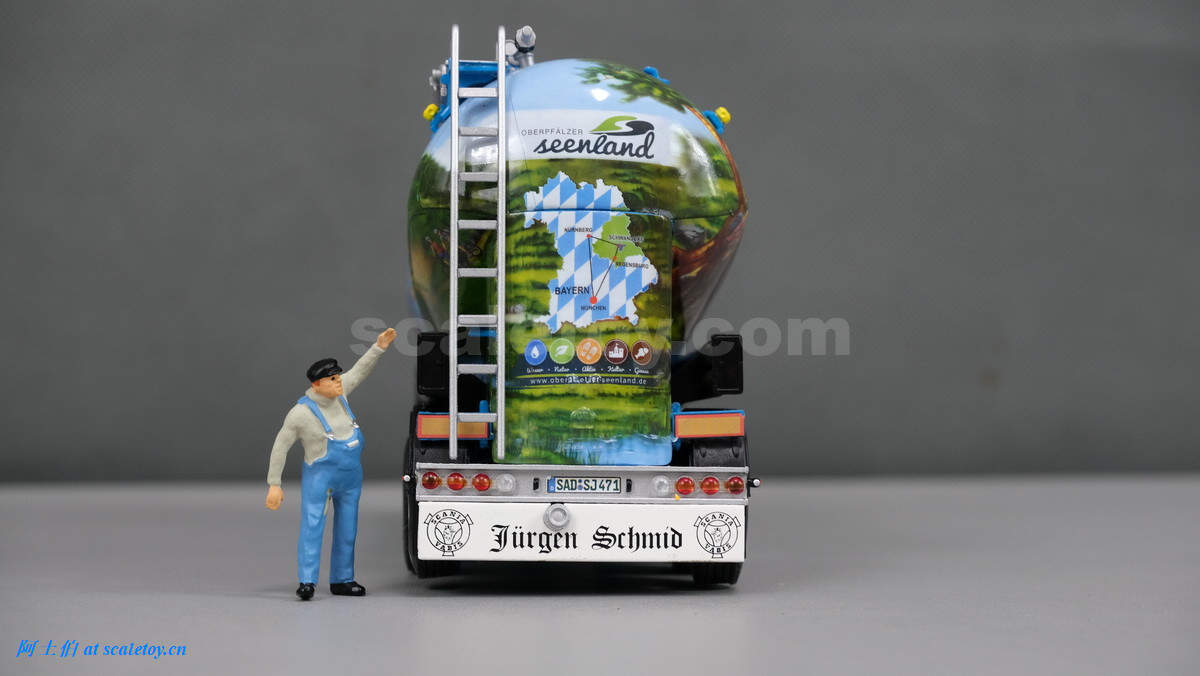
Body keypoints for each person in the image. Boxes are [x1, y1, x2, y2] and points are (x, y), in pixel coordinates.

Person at [265, 328, 396, 600]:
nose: (339, 383)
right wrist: (274, 484)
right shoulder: (300, 414)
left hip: (351, 479)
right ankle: (307, 581)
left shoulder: (341, 395)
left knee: (348, 530)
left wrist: (379, 347)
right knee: (312, 527)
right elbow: (280, 446)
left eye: (338, 377)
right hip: (320, 479)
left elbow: (360, 370)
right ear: (316, 385)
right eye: (332, 379)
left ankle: (342, 579)